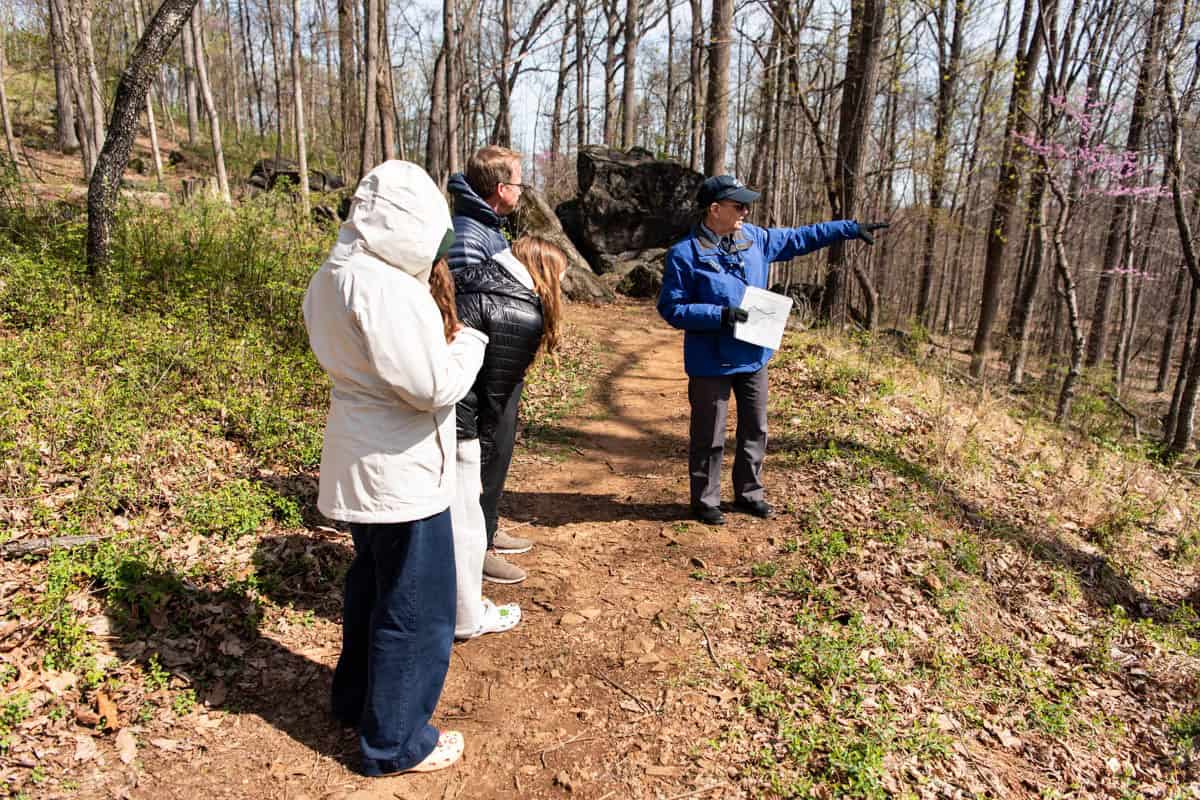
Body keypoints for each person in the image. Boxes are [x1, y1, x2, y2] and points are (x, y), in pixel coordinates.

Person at [302, 160, 487, 776]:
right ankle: (398, 742)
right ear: (411, 225)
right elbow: (430, 387)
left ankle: (357, 702)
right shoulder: (382, 285)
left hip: (364, 458)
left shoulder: (335, 271)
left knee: (373, 590)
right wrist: (468, 345)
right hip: (400, 474)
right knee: (416, 610)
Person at [657, 175, 888, 526]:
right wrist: (719, 315)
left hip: (753, 355)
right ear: (714, 209)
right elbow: (671, 309)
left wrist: (849, 228)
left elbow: (802, 237)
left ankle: (749, 493)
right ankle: (705, 500)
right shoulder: (683, 255)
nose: (746, 210)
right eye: (738, 205)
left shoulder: (757, 239)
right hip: (710, 361)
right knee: (709, 433)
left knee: (756, 427)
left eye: (747, 204)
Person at [451, 236, 568, 623]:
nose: (562, 287)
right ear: (544, 273)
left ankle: (480, 544)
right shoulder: (520, 311)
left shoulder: (475, 275)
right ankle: (468, 599)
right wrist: (482, 455)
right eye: (561, 277)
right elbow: (494, 401)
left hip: (436, 404)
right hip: (460, 415)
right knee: (466, 507)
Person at [446, 145, 537, 580]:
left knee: (497, 453)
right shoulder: (467, 235)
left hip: (497, 363)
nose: (522, 191)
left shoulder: (489, 227)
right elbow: (464, 307)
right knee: (481, 456)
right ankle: (473, 547)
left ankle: (488, 527)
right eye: (519, 182)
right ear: (502, 189)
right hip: (480, 372)